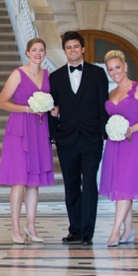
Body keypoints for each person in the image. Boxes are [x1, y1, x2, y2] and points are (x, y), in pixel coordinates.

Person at [48, 31, 109, 246]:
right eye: (68, 47)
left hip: (92, 138)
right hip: (66, 140)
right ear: (64, 51)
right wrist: (54, 134)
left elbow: (104, 104)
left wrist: (103, 134)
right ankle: (74, 228)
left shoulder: (98, 73)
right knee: (71, 185)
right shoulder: (54, 77)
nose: (72, 50)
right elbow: (51, 107)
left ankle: (87, 232)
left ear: (82, 49)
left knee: (90, 184)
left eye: (76, 46)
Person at [0, 37, 54, 244]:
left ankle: (31, 225)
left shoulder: (48, 75)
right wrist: (27, 109)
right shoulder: (17, 74)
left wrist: (52, 109)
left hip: (39, 130)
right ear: (28, 52)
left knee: (34, 181)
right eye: (34, 50)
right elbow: (2, 102)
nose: (38, 53)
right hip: (19, 128)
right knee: (19, 180)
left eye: (41, 50)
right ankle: (15, 228)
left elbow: (52, 101)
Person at [98, 50, 138, 247]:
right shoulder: (111, 93)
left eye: (117, 67)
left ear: (125, 67)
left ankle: (115, 232)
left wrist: (131, 129)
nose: (114, 72)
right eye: (110, 69)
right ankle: (128, 229)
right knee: (123, 187)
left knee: (124, 187)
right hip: (115, 146)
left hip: (134, 143)